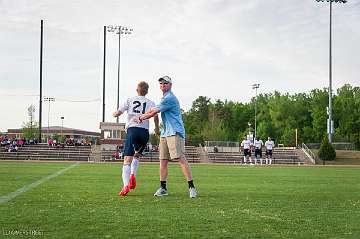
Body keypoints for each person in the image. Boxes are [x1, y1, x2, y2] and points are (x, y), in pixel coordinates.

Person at [136, 76, 197, 198]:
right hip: (165, 133)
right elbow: (153, 109)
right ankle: (163, 188)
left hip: (175, 132)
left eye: (165, 83)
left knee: (180, 158)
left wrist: (140, 118)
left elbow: (153, 112)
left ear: (170, 85)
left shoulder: (169, 98)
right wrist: (143, 115)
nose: (162, 85)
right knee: (163, 161)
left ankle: (192, 187)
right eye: (161, 83)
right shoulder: (163, 98)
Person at [113, 81, 160, 197]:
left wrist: (115, 113)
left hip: (133, 130)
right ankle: (133, 174)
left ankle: (125, 186)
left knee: (127, 160)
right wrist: (157, 129)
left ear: (137, 89)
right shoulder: (150, 102)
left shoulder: (130, 100)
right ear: (147, 91)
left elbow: (118, 112)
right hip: (144, 132)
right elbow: (156, 116)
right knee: (137, 155)